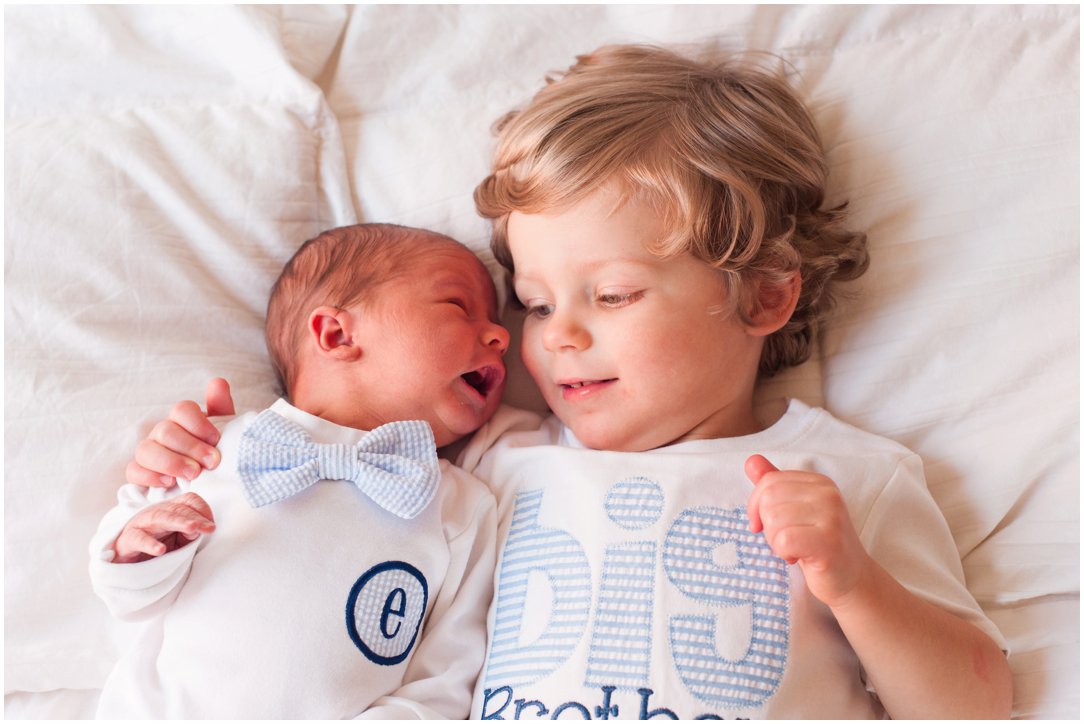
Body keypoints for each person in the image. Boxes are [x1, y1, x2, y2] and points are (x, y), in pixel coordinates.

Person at [123, 45, 1014, 719]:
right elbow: (335, 456)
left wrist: (852, 580)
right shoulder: (493, 459)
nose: (557, 337)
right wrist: (200, 458)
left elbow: (979, 701)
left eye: (613, 294)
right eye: (536, 304)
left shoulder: (847, 480)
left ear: (765, 295)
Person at [89, 223, 509, 719]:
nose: (501, 336)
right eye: (458, 306)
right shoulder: (219, 445)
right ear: (336, 334)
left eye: (496, 321)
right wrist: (141, 547)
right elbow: (125, 599)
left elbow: (447, 675)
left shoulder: (461, 506)